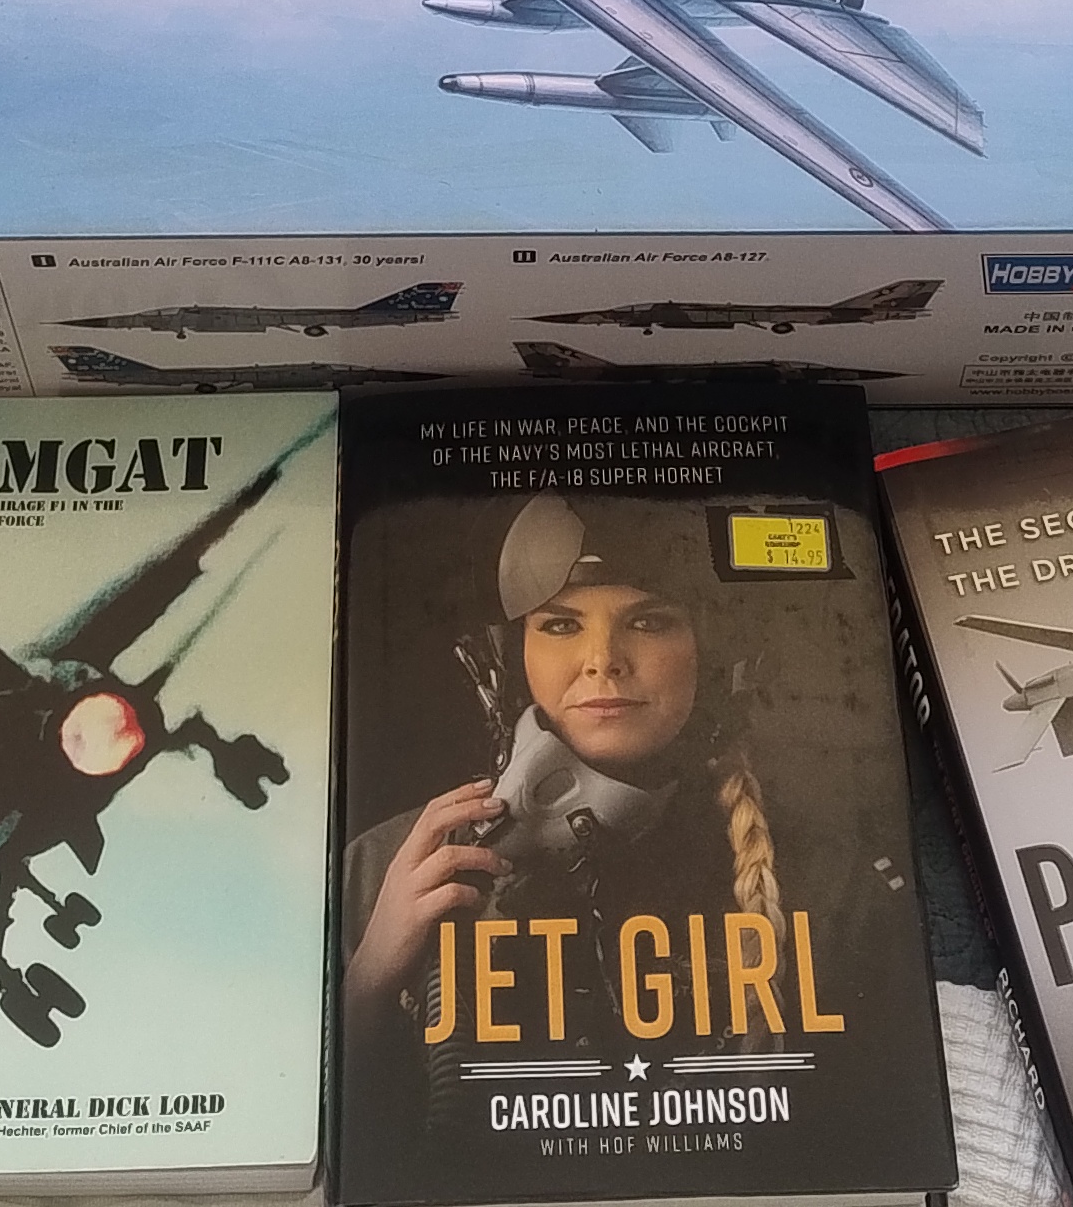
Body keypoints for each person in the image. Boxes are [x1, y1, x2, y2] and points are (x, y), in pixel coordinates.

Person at [341, 490, 911, 1148]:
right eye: (560, 625)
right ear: (506, 656)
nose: (602, 658)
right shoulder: (383, 868)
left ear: (714, 653)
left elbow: (870, 1129)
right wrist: (371, 979)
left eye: (649, 622)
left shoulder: (832, 879)